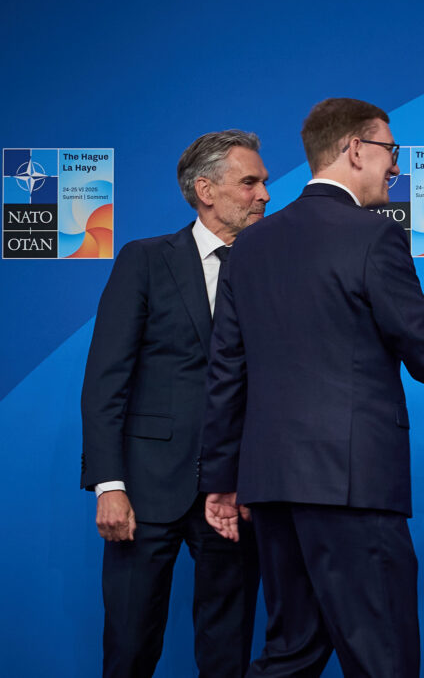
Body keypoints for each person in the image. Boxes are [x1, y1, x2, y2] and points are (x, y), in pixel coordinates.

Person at [199, 97, 424, 678]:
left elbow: (227, 373)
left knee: (290, 650)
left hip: (271, 486)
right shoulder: (374, 237)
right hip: (352, 485)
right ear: (354, 149)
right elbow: (420, 342)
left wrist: (222, 481)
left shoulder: (248, 248)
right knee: (383, 656)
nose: (396, 166)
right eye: (390, 150)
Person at [80, 130, 268, 677]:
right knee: (130, 649)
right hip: (145, 492)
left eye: (263, 181)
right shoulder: (145, 259)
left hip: (236, 494)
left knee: (227, 654)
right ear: (205, 189)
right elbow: (105, 380)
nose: (264, 194)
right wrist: (110, 486)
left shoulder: (273, 269)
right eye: (249, 182)